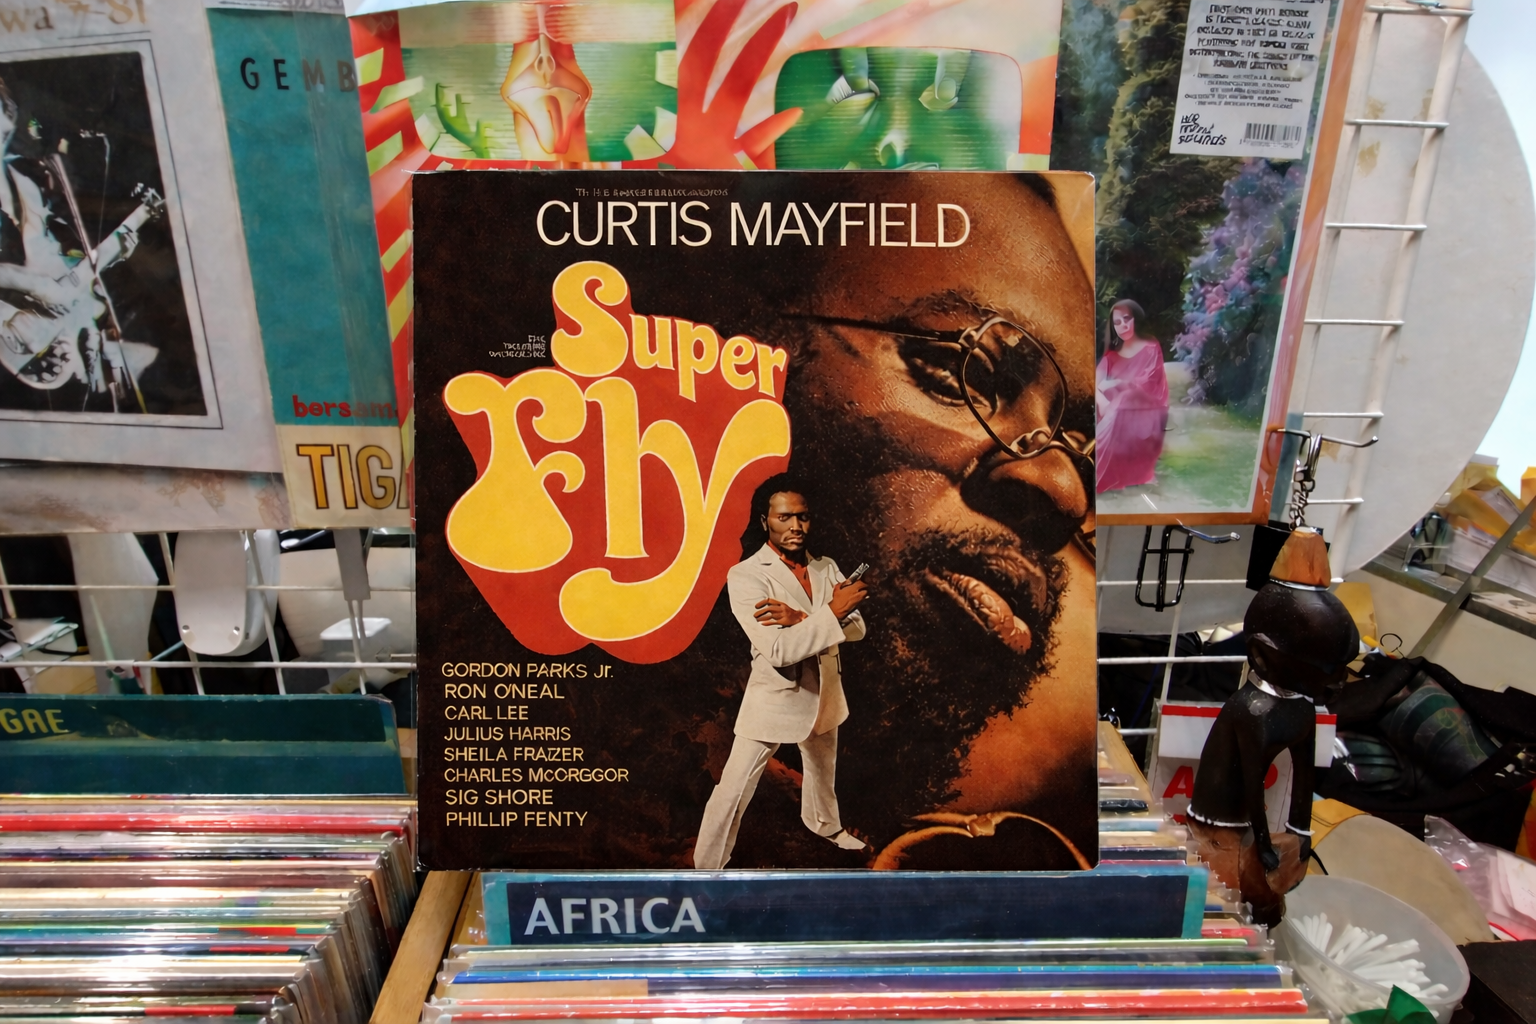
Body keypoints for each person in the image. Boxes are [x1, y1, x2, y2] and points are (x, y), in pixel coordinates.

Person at [682, 173, 1101, 866]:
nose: (1063, 489)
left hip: (823, 715)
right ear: (733, 347)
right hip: (770, 715)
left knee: (822, 784)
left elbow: (839, 626)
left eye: (1080, 448)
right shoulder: (748, 577)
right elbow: (782, 646)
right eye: (959, 370)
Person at [693, 476, 869, 870]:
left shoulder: (826, 567)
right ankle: (706, 865)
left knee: (822, 772)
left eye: (802, 517)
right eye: (784, 517)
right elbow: (778, 649)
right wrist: (832, 613)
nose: (795, 526)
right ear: (765, 521)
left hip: (826, 692)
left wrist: (803, 617)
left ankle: (826, 826)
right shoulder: (747, 575)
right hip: (775, 698)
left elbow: (858, 628)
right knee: (735, 787)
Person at [1094, 298, 1169, 492]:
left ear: (1136, 318)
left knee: (1123, 400)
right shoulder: (1111, 356)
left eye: (1127, 319)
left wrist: (1117, 384)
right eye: (1117, 322)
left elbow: (1149, 385)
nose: (1123, 325)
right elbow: (1094, 383)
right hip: (1114, 411)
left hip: (1147, 412)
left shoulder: (1151, 347)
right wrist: (1102, 401)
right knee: (1108, 399)